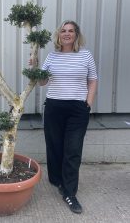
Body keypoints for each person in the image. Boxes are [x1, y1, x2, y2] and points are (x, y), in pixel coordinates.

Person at [37, 20, 98, 214]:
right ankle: (57, 180)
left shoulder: (85, 55)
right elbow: (42, 82)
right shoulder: (52, 56)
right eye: (63, 30)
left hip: (77, 109)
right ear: (59, 35)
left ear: (76, 35)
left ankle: (70, 192)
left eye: (71, 31)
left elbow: (93, 79)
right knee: (54, 145)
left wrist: (88, 103)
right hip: (54, 106)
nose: (67, 34)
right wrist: (36, 67)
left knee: (73, 149)